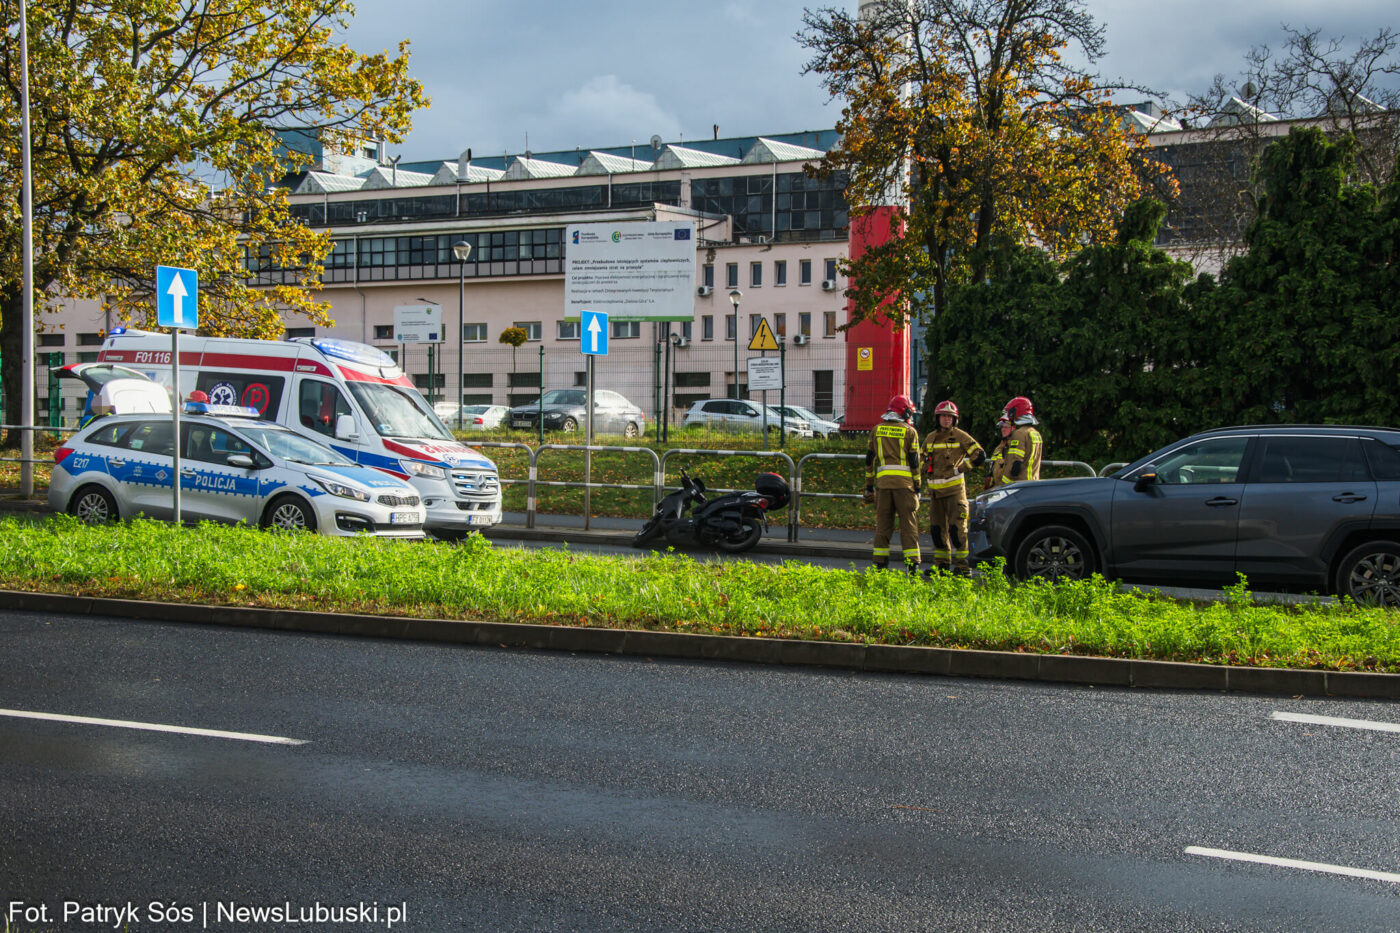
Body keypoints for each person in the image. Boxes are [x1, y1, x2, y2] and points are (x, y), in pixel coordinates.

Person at [921, 400, 985, 576]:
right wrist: (923, 468)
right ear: (937, 418)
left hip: (955, 492)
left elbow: (979, 455)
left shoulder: (960, 436)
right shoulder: (930, 438)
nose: (947, 420)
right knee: (936, 531)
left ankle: (963, 567)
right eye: (944, 416)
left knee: (957, 531)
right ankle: (941, 566)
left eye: (950, 417)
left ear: (954, 419)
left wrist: (961, 468)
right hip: (935, 494)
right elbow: (921, 459)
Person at [865, 394, 922, 573]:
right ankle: (912, 567)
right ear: (904, 412)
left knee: (883, 526)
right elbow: (914, 462)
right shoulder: (909, 432)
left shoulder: (877, 430)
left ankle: (880, 565)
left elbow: (869, 460)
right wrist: (918, 486)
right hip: (905, 487)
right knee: (908, 526)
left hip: (882, 487)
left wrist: (869, 485)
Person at [988, 396, 1042, 488]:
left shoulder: (1018, 434)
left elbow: (1015, 465)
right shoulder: (1035, 433)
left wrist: (1004, 485)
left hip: (1018, 485)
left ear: (1014, 412)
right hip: (1033, 483)